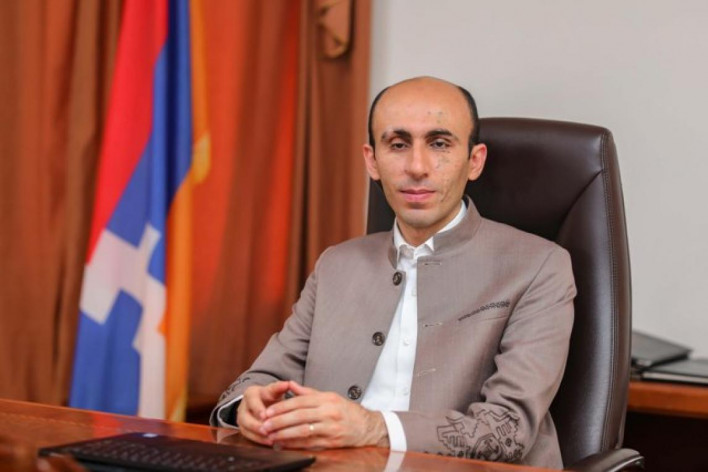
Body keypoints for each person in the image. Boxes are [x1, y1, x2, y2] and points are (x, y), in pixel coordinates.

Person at [210, 77, 575, 469]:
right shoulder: (337, 264)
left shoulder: (539, 265)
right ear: (372, 161)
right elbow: (260, 379)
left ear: (475, 161)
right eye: (398, 144)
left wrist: (372, 428)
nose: (416, 167)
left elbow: (507, 431)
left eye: (439, 144)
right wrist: (248, 407)